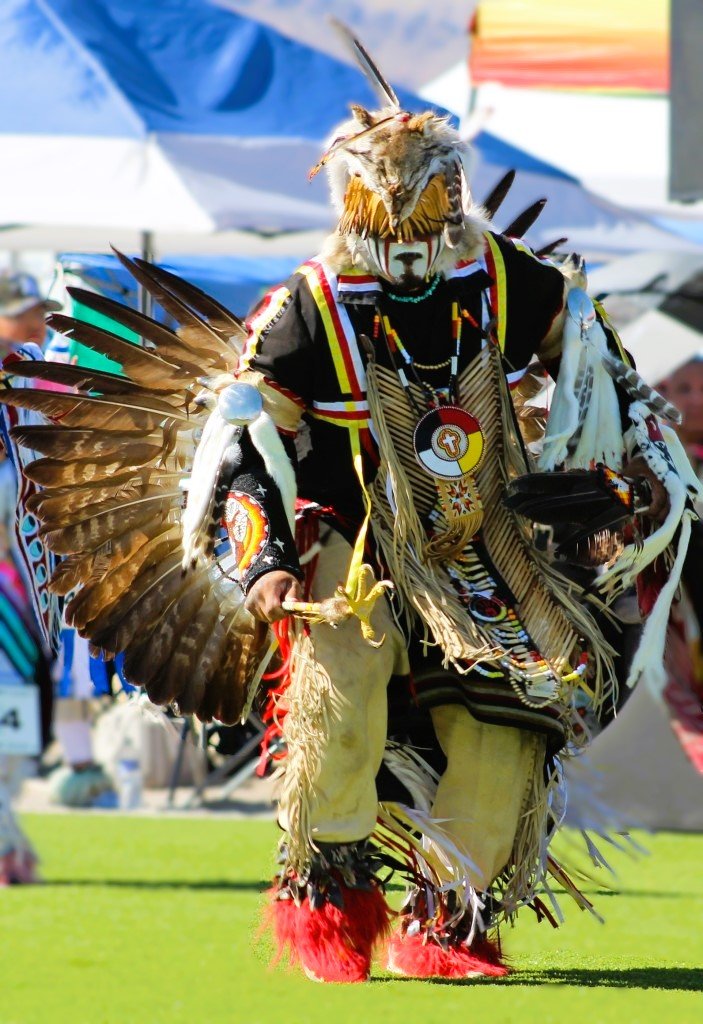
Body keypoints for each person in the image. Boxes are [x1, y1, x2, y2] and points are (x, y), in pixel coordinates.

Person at [0, 33, 697, 979]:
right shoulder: (311, 306)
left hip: (481, 544)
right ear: (352, 205)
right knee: (340, 695)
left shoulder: (506, 282)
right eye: (388, 212)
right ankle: (328, 898)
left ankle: (447, 918)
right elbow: (246, 441)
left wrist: (625, 490)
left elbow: (613, 390)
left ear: (451, 199)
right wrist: (262, 563)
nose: (408, 237)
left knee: (511, 719)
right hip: (352, 543)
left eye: (425, 211)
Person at [0, 271, 112, 810]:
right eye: (21, 312)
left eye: (34, 311)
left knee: (56, 666)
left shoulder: (32, 368)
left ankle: (72, 769)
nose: (31, 322)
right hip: (18, 554)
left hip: (39, 555)